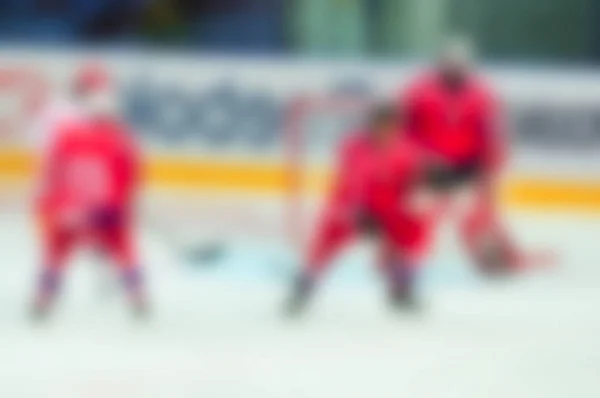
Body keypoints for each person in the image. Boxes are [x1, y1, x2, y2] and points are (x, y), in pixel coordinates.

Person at [285, 104, 443, 316]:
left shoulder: (408, 152)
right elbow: (353, 183)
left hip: (390, 210)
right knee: (325, 243)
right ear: (372, 125)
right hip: (353, 208)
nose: (385, 130)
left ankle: (402, 287)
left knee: (414, 233)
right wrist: (358, 212)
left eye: (390, 126)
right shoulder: (355, 148)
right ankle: (304, 286)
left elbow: (418, 180)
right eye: (381, 125)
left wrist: (430, 180)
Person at [402, 38, 532, 276]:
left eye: (459, 65)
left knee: (477, 218)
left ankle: (490, 258)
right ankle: (405, 260)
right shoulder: (418, 92)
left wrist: (492, 167)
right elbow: (405, 133)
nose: (454, 70)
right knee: (415, 218)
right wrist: (418, 160)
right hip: (428, 169)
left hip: (467, 168)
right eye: (449, 64)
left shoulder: (482, 96)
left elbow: (492, 135)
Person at [31, 66, 147, 320]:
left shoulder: (66, 135)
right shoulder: (119, 139)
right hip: (106, 210)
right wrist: (125, 206)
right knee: (125, 250)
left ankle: (43, 300)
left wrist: (53, 203)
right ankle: (138, 297)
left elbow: (54, 171)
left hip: (69, 209)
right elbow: (129, 176)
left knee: (55, 253)